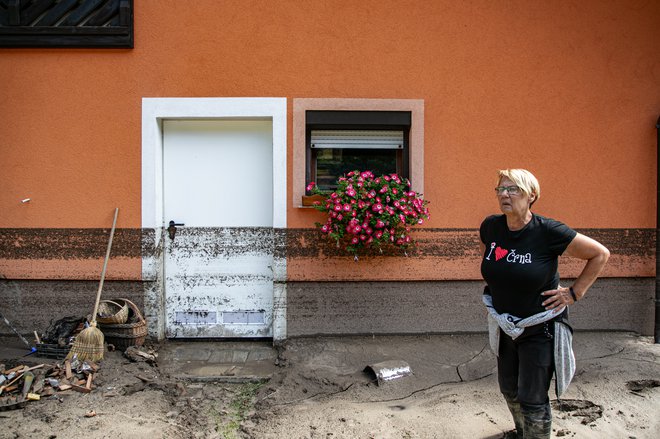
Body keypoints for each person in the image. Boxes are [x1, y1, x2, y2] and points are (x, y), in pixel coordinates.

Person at [479, 169, 610, 439]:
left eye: (513, 189)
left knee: (533, 396)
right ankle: (522, 431)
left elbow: (599, 254)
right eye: (501, 189)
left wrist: (574, 293)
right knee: (509, 389)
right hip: (505, 325)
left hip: (540, 327)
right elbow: (488, 257)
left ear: (532, 195)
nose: (505, 194)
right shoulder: (490, 227)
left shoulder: (548, 232)